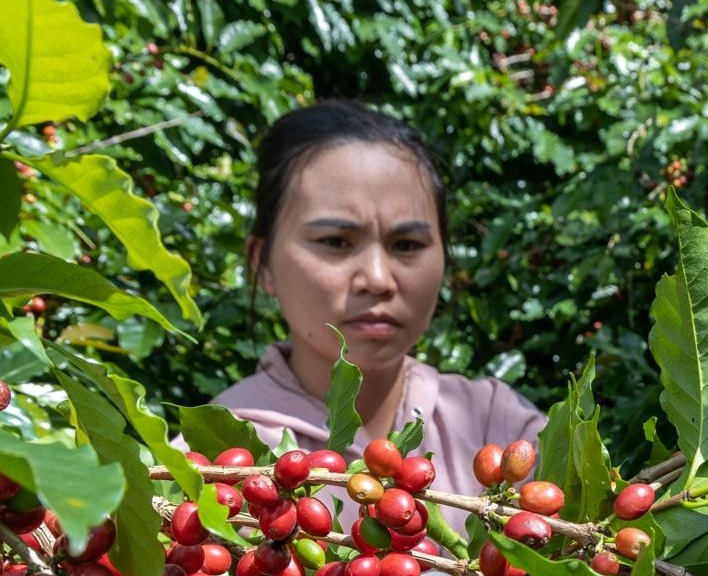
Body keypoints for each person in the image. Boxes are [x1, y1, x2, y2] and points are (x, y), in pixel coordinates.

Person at [213, 101, 546, 497]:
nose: (377, 278)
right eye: (335, 242)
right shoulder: (215, 456)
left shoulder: (500, 427)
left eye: (406, 244)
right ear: (261, 263)